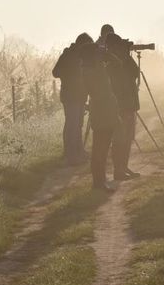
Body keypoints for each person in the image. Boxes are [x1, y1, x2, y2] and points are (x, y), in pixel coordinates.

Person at [79, 42, 121, 192]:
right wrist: (103, 54)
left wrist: (102, 53)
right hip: (103, 110)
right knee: (100, 148)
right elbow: (116, 63)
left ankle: (100, 181)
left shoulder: (91, 67)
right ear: (92, 55)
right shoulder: (92, 69)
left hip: (104, 110)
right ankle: (98, 182)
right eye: (96, 52)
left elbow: (116, 63)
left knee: (101, 147)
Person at [52, 33, 93, 166]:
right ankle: (70, 155)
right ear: (82, 44)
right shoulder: (68, 55)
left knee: (78, 124)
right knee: (72, 124)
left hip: (79, 96)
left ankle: (78, 151)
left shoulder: (81, 56)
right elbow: (55, 72)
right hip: (70, 96)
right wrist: (70, 73)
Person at [105, 33, 142, 181]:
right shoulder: (110, 62)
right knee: (120, 139)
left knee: (128, 138)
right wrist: (123, 56)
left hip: (129, 104)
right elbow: (118, 79)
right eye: (118, 45)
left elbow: (135, 73)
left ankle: (123, 167)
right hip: (120, 105)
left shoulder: (123, 59)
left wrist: (127, 55)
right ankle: (118, 171)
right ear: (113, 46)